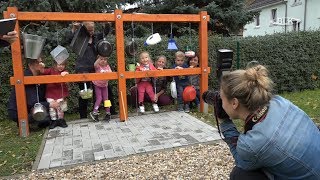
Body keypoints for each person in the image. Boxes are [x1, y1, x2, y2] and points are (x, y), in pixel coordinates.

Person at [217, 65, 320, 179]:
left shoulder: (252, 144)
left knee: (240, 175)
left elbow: (241, 161)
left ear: (234, 103)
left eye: (222, 99)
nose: (221, 103)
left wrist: (224, 121)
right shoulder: (279, 102)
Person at [68, 21, 116, 119]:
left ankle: (110, 112)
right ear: (84, 29)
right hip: (83, 68)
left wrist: (106, 24)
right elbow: (70, 40)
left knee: (106, 91)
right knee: (84, 93)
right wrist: (74, 29)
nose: (91, 32)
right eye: (88, 30)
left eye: (92, 30)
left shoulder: (96, 37)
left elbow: (105, 33)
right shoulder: (80, 38)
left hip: (96, 68)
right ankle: (83, 116)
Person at [7, 57, 60, 130]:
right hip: (18, 111)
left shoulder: (38, 76)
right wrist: (50, 104)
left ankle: (36, 121)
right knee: (45, 117)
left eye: (41, 62)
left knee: (49, 117)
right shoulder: (26, 77)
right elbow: (32, 102)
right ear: (30, 65)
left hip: (31, 106)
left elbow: (43, 95)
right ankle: (26, 121)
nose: (41, 64)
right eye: (38, 62)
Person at [40, 60, 69, 129]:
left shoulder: (65, 71)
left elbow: (67, 76)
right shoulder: (50, 70)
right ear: (55, 65)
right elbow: (42, 71)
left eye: (63, 65)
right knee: (52, 108)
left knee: (60, 107)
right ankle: (54, 120)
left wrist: (65, 73)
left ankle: (61, 120)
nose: (61, 66)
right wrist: (41, 66)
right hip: (51, 92)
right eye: (59, 64)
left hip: (60, 93)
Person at [89, 55, 112, 122]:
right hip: (97, 85)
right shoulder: (98, 67)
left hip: (104, 85)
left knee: (106, 99)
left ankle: (108, 113)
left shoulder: (107, 67)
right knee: (99, 98)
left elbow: (110, 73)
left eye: (105, 59)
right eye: (101, 59)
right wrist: (99, 57)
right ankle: (94, 112)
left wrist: (106, 72)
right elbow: (95, 64)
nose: (103, 60)